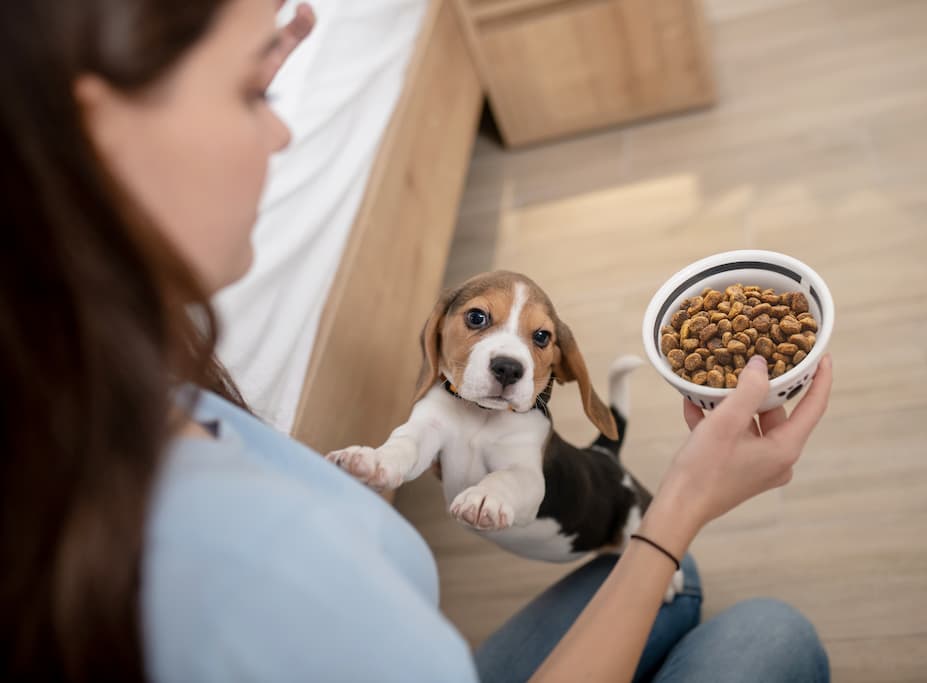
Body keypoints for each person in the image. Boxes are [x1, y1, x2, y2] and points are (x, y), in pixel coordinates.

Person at [0, 0, 834, 680]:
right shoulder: (240, 570)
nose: (286, 133)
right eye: (254, 90)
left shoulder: (146, 381)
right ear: (102, 131)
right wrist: (683, 507)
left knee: (684, 594)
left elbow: (428, 444)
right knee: (773, 635)